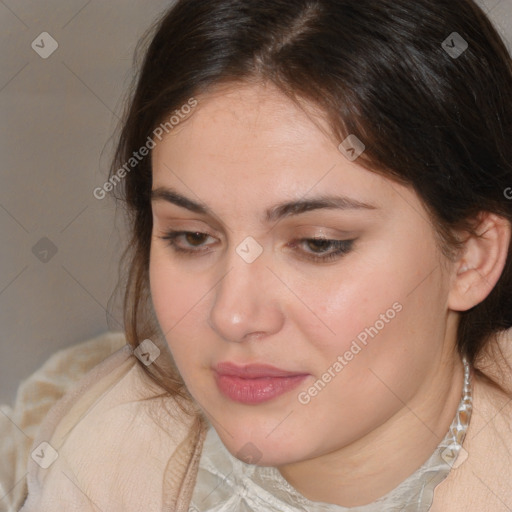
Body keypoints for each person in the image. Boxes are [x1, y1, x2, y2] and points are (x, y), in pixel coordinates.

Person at [19, 0, 512, 510]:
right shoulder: (97, 469)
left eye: (319, 244)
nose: (232, 315)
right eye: (191, 236)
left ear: (472, 257)